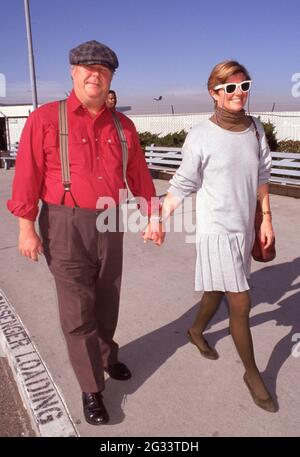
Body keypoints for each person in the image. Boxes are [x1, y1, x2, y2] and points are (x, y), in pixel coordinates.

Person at [7, 40, 157, 425]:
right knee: (77, 310)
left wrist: (152, 215)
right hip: (64, 223)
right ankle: (92, 389)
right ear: (73, 73)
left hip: (110, 221)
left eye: (103, 70)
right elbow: (26, 177)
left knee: (108, 297)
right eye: (87, 68)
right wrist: (27, 228)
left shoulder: (124, 126)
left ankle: (107, 356)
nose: (95, 74)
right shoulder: (44, 119)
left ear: (110, 79)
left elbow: (139, 175)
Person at [144, 60, 277, 413]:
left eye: (244, 85)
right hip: (216, 230)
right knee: (241, 302)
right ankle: (252, 374)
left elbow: (263, 174)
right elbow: (183, 183)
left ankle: (195, 330)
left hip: (243, 227)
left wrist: (265, 220)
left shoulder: (255, 129)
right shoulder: (201, 135)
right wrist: (159, 217)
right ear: (214, 93)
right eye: (229, 88)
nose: (238, 94)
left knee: (214, 291)